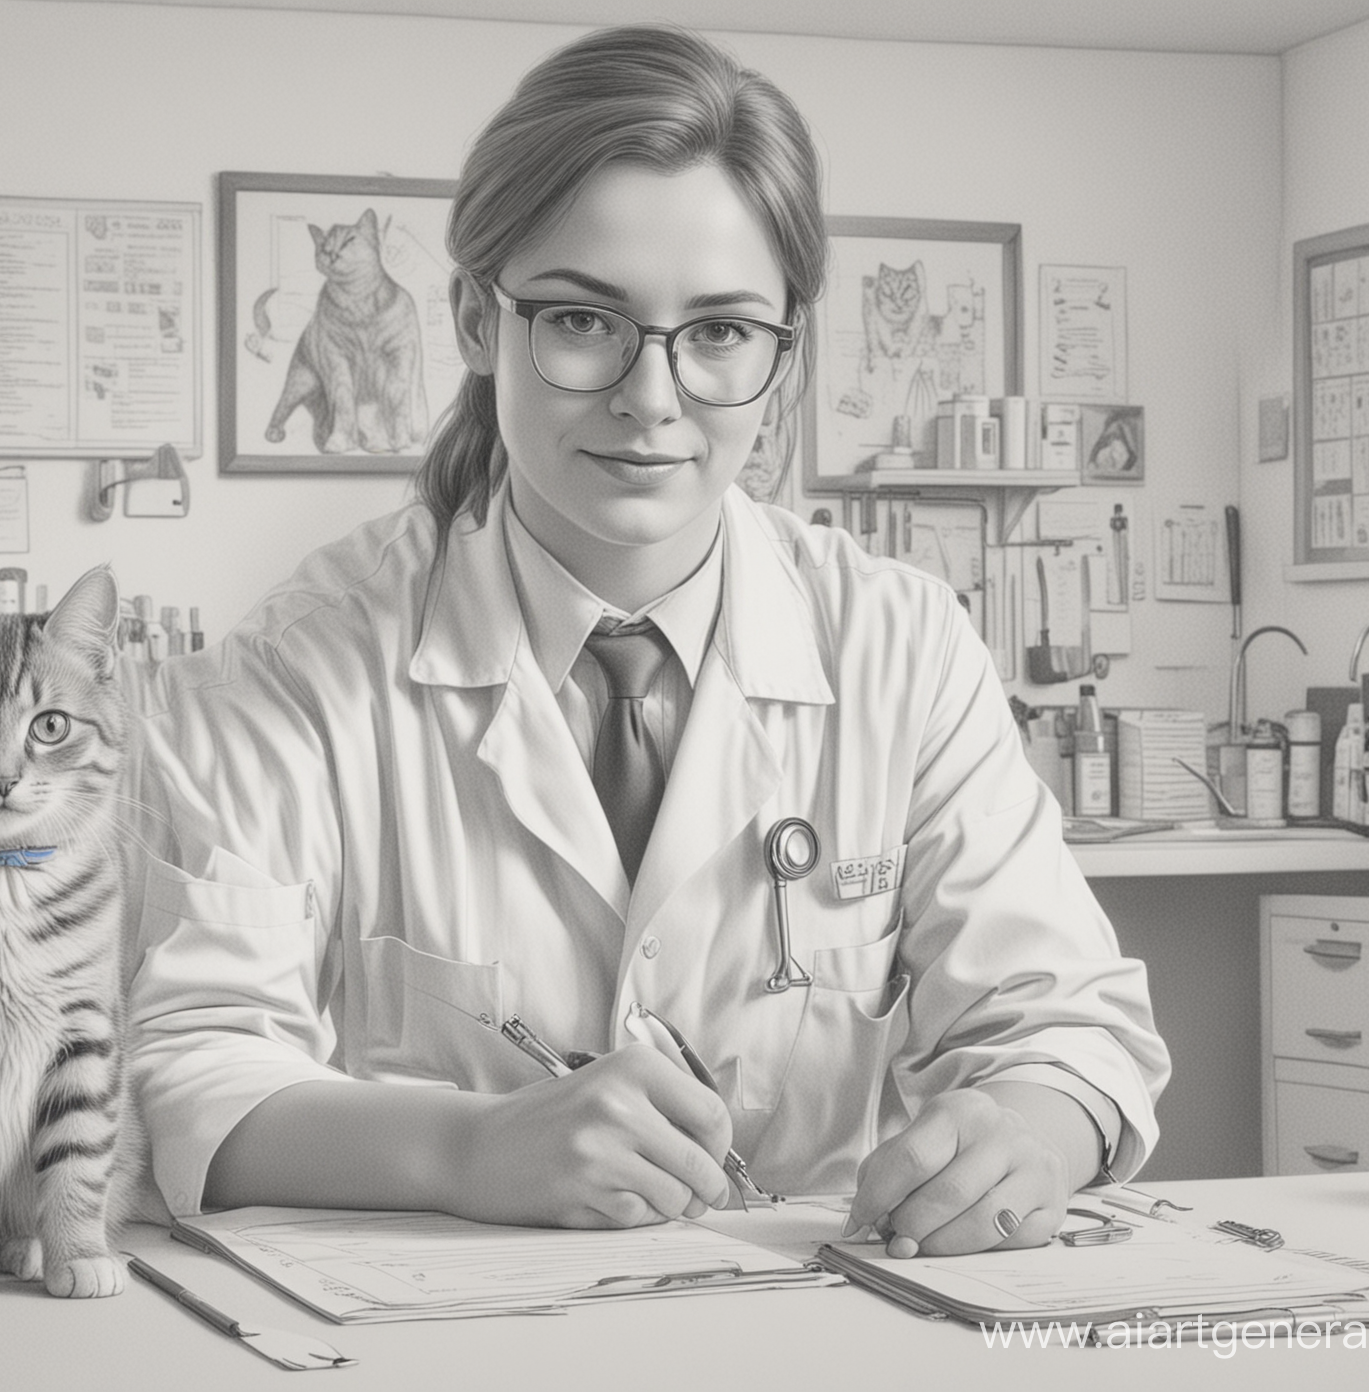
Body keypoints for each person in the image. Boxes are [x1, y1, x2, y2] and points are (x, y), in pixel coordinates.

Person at [126, 24, 1169, 1259]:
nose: (652, 395)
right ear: (476, 317)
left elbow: (1066, 1025)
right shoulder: (291, 671)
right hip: (430, 1332)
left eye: (721, 332)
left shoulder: (900, 645)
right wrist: (466, 1151)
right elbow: (184, 1076)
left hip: (807, 1323)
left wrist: (1030, 1130)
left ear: (783, 353)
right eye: (583, 320)